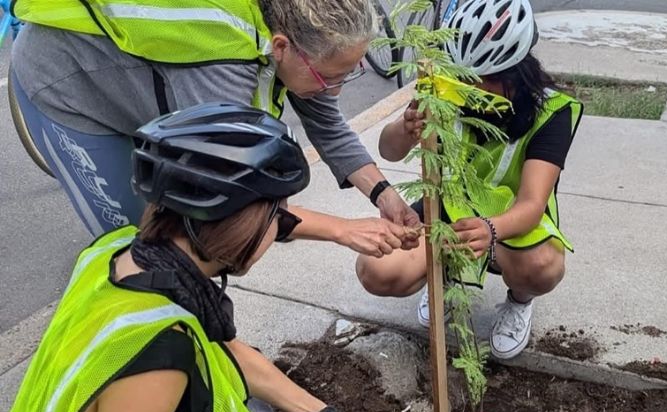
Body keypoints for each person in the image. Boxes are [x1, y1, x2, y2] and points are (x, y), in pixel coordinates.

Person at [0, 104, 355, 412]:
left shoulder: (116, 254)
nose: (286, 224)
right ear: (245, 224)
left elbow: (225, 350)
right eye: (278, 214)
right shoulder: (159, 360)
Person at [9, 0, 420, 256]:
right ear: (280, 47)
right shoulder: (224, 66)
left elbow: (326, 122)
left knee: (187, 243)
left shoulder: (293, 29)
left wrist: (384, 195)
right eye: (330, 76)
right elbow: (236, 199)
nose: (335, 89)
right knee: (140, 250)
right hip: (67, 87)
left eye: (349, 74)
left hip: (144, 89)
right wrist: (342, 230)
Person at [356, 0, 584, 359]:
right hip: (447, 207)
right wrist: (406, 128)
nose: (472, 88)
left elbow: (531, 204)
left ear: (517, 72)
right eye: (465, 77)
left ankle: (520, 302)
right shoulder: (447, 89)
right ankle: (443, 279)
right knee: (376, 268)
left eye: (484, 80)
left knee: (542, 266)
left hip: (509, 222)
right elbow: (389, 150)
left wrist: (490, 229)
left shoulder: (551, 113)